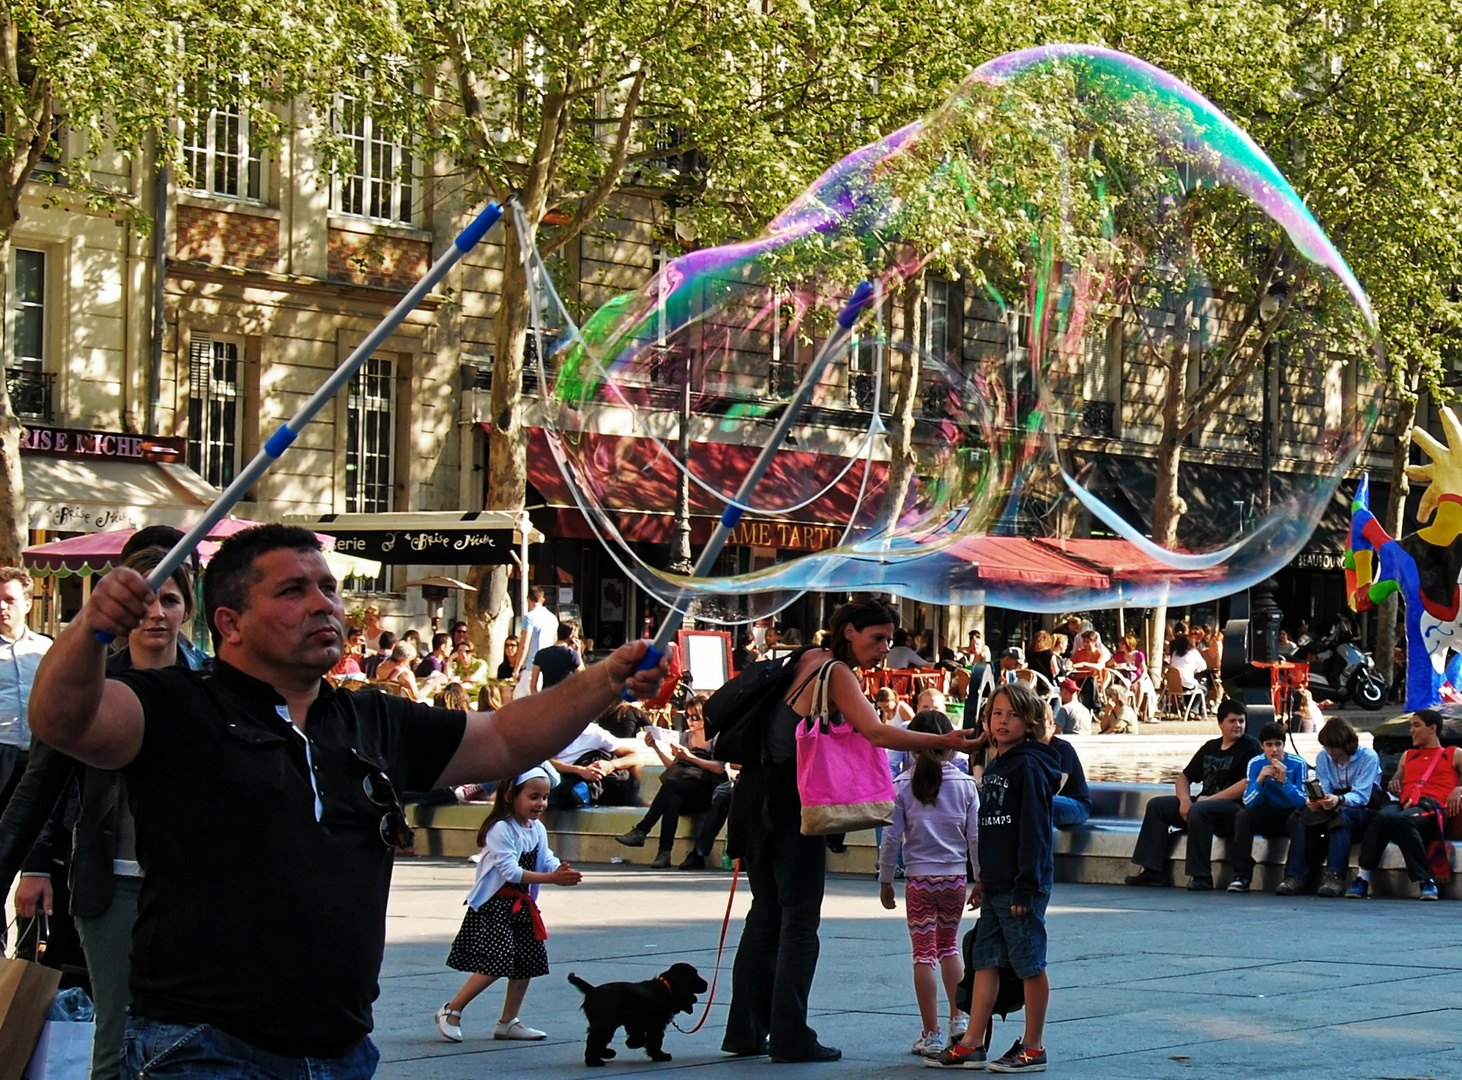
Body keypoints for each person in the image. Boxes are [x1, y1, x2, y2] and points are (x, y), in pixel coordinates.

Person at [25, 523, 667, 1078]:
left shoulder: (373, 720)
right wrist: (90, 628)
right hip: (203, 1045)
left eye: (328, 588)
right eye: (292, 591)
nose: (323, 605)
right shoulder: (175, 705)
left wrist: (604, 678)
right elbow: (62, 720)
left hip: (341, 1048)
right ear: (229, 623)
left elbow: (501, 737)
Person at [722, 599, 980, 1063]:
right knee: (799, 919)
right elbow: (877, 733)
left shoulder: (806, 657)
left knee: (765, 914)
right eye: (876, 637)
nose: (884, 648)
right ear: (848, 631)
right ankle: (789, 1035)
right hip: (792, 801)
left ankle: (745, 1030)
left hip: (755, 796)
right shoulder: (837, 671)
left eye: (888, 639)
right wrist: (943, 740)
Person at [0, 550, 199, 1080]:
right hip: (110, 884)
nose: (156, 613)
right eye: (146, 600)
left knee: (190, 1032)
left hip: (194, 888)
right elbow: (39, 786)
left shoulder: (212, 686)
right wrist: (34, 867)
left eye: (171, 600)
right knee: (118, 1028)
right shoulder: (90, 685)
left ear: (189, 611)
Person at [928, 681, 1061, 1072]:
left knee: (1028, 962)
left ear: (1031, 721)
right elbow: (993, 828)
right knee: (985, 958)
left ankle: (1034, 1045)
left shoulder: (1030, 765)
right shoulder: (998, 763)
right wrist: (984, 877)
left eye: (1013, 714)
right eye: (997, 714)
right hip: (998, 883)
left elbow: (1034, 829)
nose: (1003, 721)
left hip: (1023, 885)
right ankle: (972, 1041)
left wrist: (1025, 884)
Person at [434, 768, 581, 1044]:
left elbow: (544, 856)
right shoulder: (501, 828)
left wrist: (558, 868)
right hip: (495, 905)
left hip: (521, 905)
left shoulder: (536, 827)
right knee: (496, 961)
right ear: (512, 796)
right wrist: (552, 878)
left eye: (545, 797)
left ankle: (508, 1022)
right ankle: (451, 1010)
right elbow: (510, 872)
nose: (541, 803)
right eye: (534, 796)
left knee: (526, 962)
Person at [878, 710, 980, 1059]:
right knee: (949, 947)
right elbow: (976, 839)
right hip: (954, 878)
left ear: (913, 745)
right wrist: (979, 878)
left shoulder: (902, 786)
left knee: (923, 954)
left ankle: (930, 1033)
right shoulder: (966, 785)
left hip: (920, 880)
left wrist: (886, 880)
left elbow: (891, 839)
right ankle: (958, 1018)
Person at [1124, 701, 1261, 890]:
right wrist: (1185, 800)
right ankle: (1153, 871)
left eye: (1241, 721)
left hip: (1234, 808)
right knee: (1157, 806)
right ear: (1220, 723)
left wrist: (1210, 800)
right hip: (1203, 804)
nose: (1238, 725)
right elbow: (1183, 777)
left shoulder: (1250, 746)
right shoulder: (1210, 747)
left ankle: (1201, 875)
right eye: (1232, 721)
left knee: (1200, 809)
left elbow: (1247, 783)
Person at [1347, 709, 1462, 900]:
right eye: (1411, 726)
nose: (1411, 730)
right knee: (1382, 816)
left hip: (1430, 808)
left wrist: (1459, 789)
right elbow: (1396, 783)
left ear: (1432, 728)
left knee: (1402, 820)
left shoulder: (1453, 754)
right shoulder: (1408, 755)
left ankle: (1426, 880)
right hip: (1406, 803)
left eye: (1416, 725)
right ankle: (1362, 878)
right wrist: (1394, 783)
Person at [0, 566, 52, 932]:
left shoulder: (46, 648)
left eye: (9, 599)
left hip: (36, 756)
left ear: (26, 604)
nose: (2, 607)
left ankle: (29, 949)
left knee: (35, 846)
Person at [1276, 717, 1379, 897]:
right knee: (1302, 816)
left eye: (1334, 748)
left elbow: (1362, 796)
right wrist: (1317, 800)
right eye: (1327, 747)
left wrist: (1339, 800)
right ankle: (1295, 874)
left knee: (1342, 819)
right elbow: (1324, 785)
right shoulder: (1323, 757)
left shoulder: (1368, 758)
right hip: (1332, 802)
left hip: (1361, 807)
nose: (1330, 752)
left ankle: (1335, 875)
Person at [617, 702, 725, 868]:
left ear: (705, 718)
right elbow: (674, 768)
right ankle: (664, 853)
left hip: (706, 788)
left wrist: (690, 757)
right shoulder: (686, 736)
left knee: (671, 785)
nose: (690, 720)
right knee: (673, 797)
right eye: (687, 716)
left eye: (695, 717)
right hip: (684, 785)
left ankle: (642, 831)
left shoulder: (715, 737)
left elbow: (720, 768)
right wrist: (656, 747)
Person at [1226, 722, 1309, 892]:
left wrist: (1284, 782)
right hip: (1267, 812)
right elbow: (1248, 802)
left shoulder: (1298, 764)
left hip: (1290, 812)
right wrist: (1260, 781)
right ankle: (1241, 875)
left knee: (1300, 818)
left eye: (1278, 744)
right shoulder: (1255, 764)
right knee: (1243, 816)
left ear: (1284, 745)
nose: (1274, 750)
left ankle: (1292, 876)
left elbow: (1302, 801)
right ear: (1262, 746)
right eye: (1269, 745)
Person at [548, 721, 641, 808]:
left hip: (590, 773)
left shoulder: (595, 733)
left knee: (601, 758)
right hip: (560, 775)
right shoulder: (555, 730)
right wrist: (580, 770)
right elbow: (549, 761)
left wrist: (610, 765)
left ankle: (583, 792)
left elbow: (634, 756)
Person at [1041, 709, 1092, 828]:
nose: (1034, 726)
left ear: (1050, 723)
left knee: (1038, 805)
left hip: (1078, 805)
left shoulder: (1063, 748)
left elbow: (1057, 787)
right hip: (1053, 801)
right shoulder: (1029, 749)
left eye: (1039, 720)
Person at [514, 587, 560, 699]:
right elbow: (555, 641)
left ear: (528, 598)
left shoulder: (529, 617)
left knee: (518, 700)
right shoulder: (553, 618)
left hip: (531, 666)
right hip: (548, 666)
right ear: (543, 600)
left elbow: (524, 644)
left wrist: (516, 669)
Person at [530, 622, 584, 694]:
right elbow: (582, 676)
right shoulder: (572, 654)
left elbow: (533, 685)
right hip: (566, 696)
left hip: (547, 696)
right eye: (576, 636)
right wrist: (578, 653)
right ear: (571, 636)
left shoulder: (541, 654)